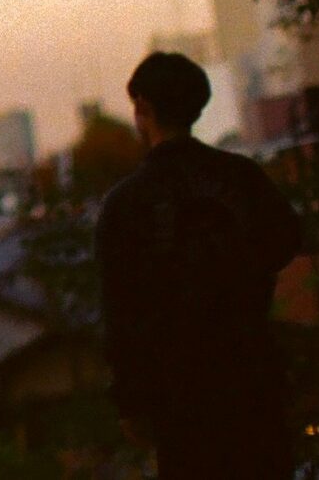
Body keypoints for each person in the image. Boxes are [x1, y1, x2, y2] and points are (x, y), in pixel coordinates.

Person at [97, 51, 304, 480]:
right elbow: (287, 242)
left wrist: (131, 401)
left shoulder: (126, 204)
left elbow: (121, 311)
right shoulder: (241, 177)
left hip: (179, 393)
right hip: (252, 374)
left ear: (144, 110)